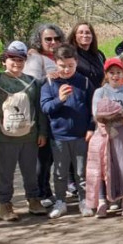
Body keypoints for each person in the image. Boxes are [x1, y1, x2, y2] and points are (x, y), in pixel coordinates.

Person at [0, 41, 48, 220]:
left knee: (31, 170)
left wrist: (42, 132)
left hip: (30, 134)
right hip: (5, 136)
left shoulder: (32, 82)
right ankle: (5, 203)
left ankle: (33, 199)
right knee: (6, 170)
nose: (16, 63)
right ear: (4, 60)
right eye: (12, 59)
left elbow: (38, 108)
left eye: (21, 59)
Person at [40, 44, 96, 219]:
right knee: (59, 172)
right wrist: (59, 99)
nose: (66, 69)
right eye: (62, 65)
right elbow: (45, 107)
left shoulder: (85, 82)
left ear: (76, 63)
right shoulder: (49, 83)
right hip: (59, 137)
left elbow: (94, 108)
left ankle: (83, 201)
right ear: (55, 63)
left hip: (81, 136)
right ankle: (60, 201)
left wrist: (90, 128)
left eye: (70, 66)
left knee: (81, 172)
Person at [85, 58, 123, 218]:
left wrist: (113, 116)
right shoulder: (100, 92)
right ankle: (102, 202)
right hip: (103, 135)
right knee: (102, 168)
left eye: (118, 72)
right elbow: (98, 115)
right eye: (112, 73)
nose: (115, 76)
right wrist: (117, 115)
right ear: (106, 74)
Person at [24, 22, 65, 207]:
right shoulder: (36, 58)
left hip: (61, 112)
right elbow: (30, 85)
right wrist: (48, 78)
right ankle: (40, 192)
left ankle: (50, 191)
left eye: (56, 38)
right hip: (43, 112)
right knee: (43, 156)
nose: (53, 42)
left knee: (56, 156)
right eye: (48, 39)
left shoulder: (60, 57)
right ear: (39, 40)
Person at [68, 22, 106, 90]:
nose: (85, 35)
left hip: (99, 96)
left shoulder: (99, 55)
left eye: (88, 33)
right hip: (80, 97)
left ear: (92, 36)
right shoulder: (69, 55)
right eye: (81, 32)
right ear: (74, 36)